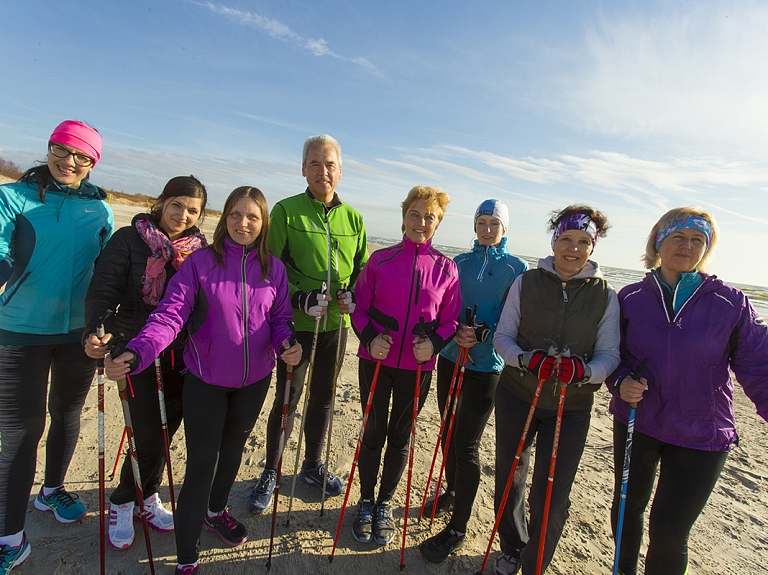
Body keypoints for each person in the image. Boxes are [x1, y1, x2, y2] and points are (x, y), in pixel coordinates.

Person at [105, 187, 302, 575]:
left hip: (254, 381)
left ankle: (216, 511)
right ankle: (186, 557)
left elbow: (280, 320)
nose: (243, 223)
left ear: (263, 225)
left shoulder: (273, 269)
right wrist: (139, 351)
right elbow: (169, 316)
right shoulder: (200, 264)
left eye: (252, 217)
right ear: (224, 217)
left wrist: (287, 344)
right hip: (206, 380)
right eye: (235, 215)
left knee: (232, 452)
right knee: (201, 463)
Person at [606, 207, 768, 575]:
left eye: (698, 240)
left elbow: (759, 365)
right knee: (626, 511)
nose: (687, 245)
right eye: (678, 236)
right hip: (639, 421)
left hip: (701, 433)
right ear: (659, 241)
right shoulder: (630, 297)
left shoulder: (730, 302)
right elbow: (611, 354)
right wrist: (619, 381)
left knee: (669, 532)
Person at [0, 120, 113, 572]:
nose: (69, 162)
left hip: (76, 335)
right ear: (48, 149)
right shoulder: (14, 197)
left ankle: (52, 492)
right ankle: (11, 537)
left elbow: (106, 273)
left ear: (92, 163)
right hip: (19, 330)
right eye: (61, 151)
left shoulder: (99, 210)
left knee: (66, 415)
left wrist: (105, 324)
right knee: (21, 432)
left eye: (81, 156)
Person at [492, 205, 620, 575]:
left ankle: (535, 563)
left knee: (552, 491)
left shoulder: (605, 294)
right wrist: (524, 360)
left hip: (572, 404)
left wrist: (584, 371)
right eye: (566, 239)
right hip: (519, 393)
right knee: (510, 475)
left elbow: (609, 355)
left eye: (583, 241)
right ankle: (513, 546)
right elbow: (503, 337)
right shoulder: (527, 282)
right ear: (554, 240)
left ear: (592, 247)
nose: (573, 248)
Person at [83, 175, 208, 549]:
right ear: (161, 202)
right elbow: (102, 292)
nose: (182, 215)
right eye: (176, 205)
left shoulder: (200, 252)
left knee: (166, 430)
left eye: (192, 210)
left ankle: (146, 494)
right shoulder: (128, 239)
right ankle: (123, 500)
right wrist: (97, 331)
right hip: (133, 351)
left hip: (181, 355)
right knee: (146, 431)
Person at [249, 134, 368, 513]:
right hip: (296, 324)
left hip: (335, 325)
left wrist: (353, 296)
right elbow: (269, 266)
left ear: (340, 171)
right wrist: (299, 295)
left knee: (324, 397)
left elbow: (363, 272)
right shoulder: (286, 211)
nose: (322, 171)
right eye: (314, 163)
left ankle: (313, 466)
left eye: (329, 164)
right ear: (303, 169)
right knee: (288, 396)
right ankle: (271, 469)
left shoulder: (354, 219)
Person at [348, 185, 461, 545]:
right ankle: (365, 501)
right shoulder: (379, 261)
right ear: (404, 216)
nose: (421, 222)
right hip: (376, 361)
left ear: (438, 224)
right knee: (373, 431)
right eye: (415, 214)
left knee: (399, 435)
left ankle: (385, 504)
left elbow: (451, 321)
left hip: (417, 369)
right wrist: (370, 339)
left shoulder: (446, 268)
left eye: (430, 217)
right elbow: (359, 309)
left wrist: (435, 344)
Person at [419, 199, 528, 563]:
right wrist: (448, 332)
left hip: (487, 366)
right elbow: (445, 306)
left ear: (504, 229)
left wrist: (484, 333)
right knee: (448, 431)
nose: (486, 229)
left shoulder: (517, 268)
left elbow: (517, 319)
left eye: (493, 223)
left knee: (466, 442)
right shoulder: (459, 263)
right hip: (451, 357)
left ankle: (458, 527)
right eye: (481, 222)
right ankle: (452, 490)